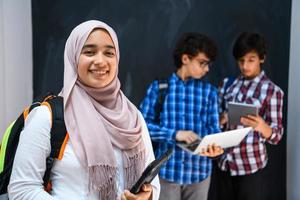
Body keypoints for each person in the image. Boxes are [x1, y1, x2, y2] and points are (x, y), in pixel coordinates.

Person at [8, 20, 160, 200]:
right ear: (73, 57)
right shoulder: (48, 116)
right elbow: (21, 190)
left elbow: (154, 185)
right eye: (89, 52)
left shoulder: (133, 117)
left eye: (109, 53)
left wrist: (147, 196)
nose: (100, 61)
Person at [139, 32, 224, 200]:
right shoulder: (160, 88)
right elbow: (141, 127)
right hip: (167, 173)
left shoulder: (210, 93)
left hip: (199, 174)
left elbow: (213, 128)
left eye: (208, 64)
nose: (207, 69)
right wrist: (175, 134)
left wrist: (215, 146)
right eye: (202, 63)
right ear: (185, 59)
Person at [215, 32, 284, 200]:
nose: (245, 65)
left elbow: (276, 136)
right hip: (224, 164)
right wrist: (222, 118)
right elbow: (213, 123)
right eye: (241, 61)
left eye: (250, 60)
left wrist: (261, 126)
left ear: (261, 58)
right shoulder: (227, 84)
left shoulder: (272, 91)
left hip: (251, 167)